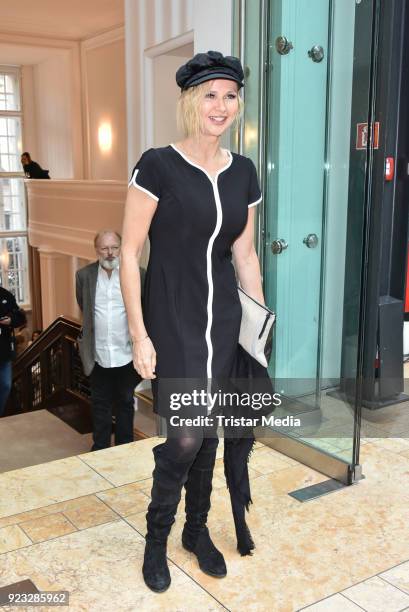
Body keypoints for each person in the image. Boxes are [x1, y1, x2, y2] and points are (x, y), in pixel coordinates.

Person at [120, 50, 271, 593]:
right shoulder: (157, 165)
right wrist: (140, 333)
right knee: (185, 437)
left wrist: (258, 333)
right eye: (210, 94)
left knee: (211, 430)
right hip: (174, 316)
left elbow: (246, 256)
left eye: (230, 95)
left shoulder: (244, 171)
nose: (221, 105)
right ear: (190, 101)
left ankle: (197, 531)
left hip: (225, 318)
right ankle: (156, 539)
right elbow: (132, 251)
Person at [75, 230, 141, 451]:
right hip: (98, 355)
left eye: (114, 247)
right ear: (96, 250)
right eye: (104, 248)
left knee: (125, 403)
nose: (110, 253)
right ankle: (100, 448)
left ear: (121, 247)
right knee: (100, 405)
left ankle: (124, 448)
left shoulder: (137, 274)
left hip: (127, 355)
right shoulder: (84, 276)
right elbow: (84, 307)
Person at [0, 286, 26, 416]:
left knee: (6, 385)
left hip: (3, 350)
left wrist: (10, 320)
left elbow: (20, 317)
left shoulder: (5, 295)